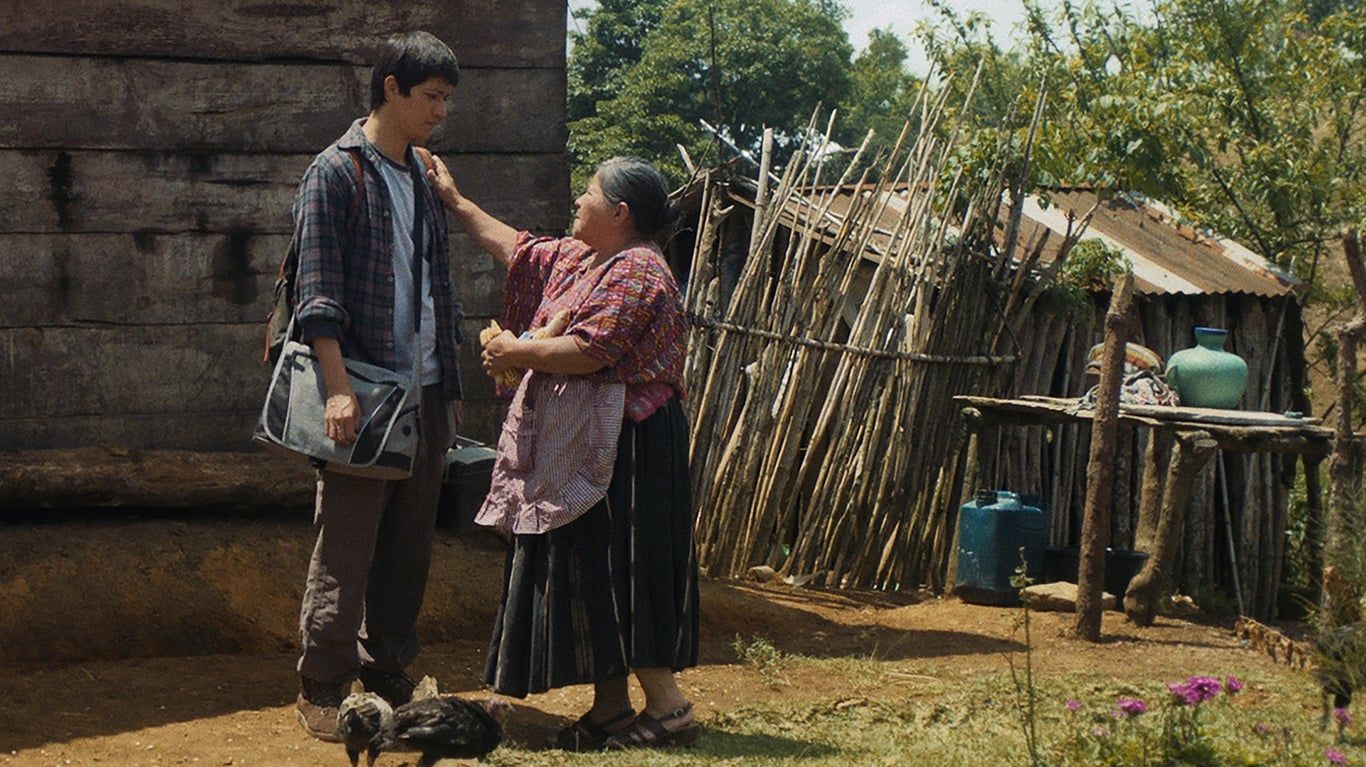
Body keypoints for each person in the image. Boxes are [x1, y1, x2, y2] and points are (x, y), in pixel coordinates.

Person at [427, 154, 700, 749]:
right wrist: (455, 200)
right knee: (586, 566)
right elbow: (520, 250)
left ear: (620, 213)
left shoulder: (639, 273)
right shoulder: (586, 259)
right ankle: (610, 707)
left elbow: (590, 350)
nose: (578, 200)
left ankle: (669, 706)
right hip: (588, 445)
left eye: (591, 192)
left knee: (627, 566)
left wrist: (512, 350)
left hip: (633, 445)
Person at [290, 31, 465, 740]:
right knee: (350, 535)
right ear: (390, 87)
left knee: (409, 537)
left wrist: (449, 377)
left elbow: (434, 286)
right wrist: (337, 387)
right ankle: (322, 679)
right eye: (431, 97)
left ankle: (386, 662)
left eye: (447, 100)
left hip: (424, 386)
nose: (440, 111)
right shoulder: (333, 173)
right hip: (363, 384)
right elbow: (317, 292)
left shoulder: (422, 175)